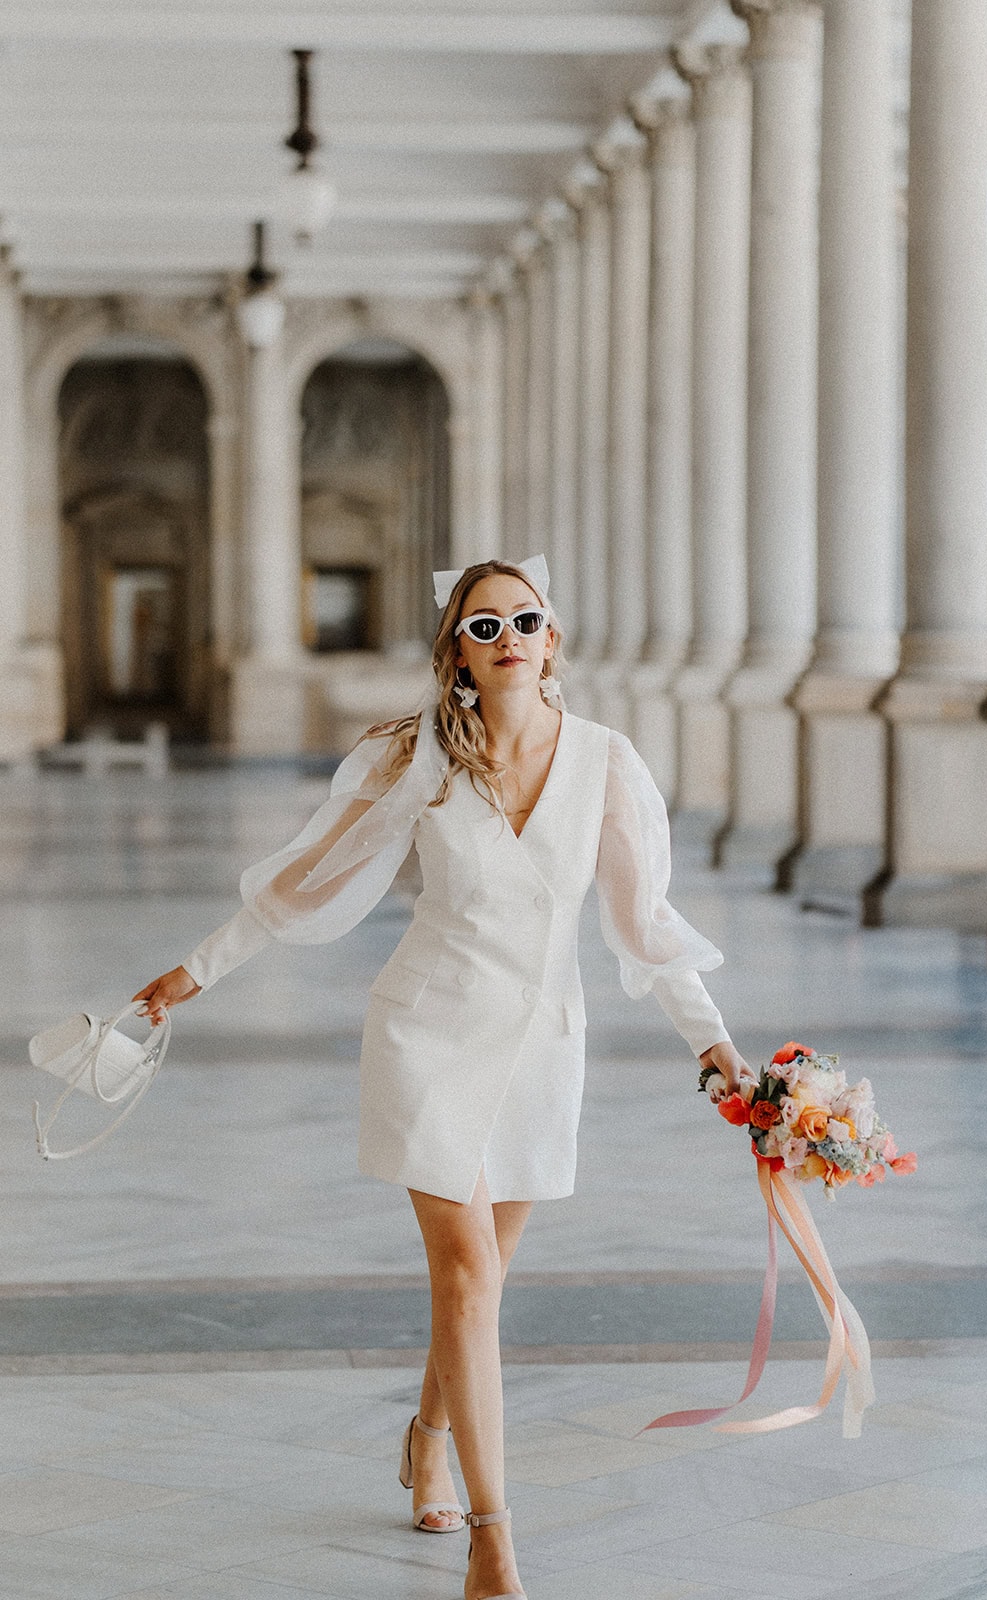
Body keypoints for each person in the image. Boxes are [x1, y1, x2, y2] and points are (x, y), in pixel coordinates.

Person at [133, 556, 749, 1600]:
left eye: (526, 618)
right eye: (482, 624)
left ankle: (426, 1433)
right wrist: (195, 970)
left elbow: (643, 930)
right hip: (424, 1035)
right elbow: (305, 877)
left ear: (552, 640)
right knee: (465, 1277)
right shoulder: (416, 758)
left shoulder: (606, 763)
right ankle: (493, 1543)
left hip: (541, 1052)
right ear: (455, 651)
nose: (507, 634)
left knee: (478, 1285)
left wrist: (714, 1044)